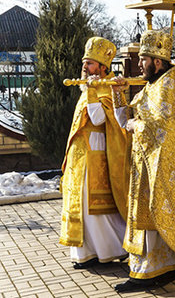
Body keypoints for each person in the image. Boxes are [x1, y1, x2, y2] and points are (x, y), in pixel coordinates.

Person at [112, 30, 175, 292]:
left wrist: (135, 124)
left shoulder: (167, 84)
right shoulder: (153, 85)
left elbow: (159, 126)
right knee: (151, 218)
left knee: (158, 215)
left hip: (162, 163)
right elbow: (127, 119)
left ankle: (148, 272)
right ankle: (159, 266)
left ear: (157, 61)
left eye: (143, 59)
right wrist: (119, 94)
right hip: (148, 162)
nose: (139, 64)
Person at [59, 37, 128, 270]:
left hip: (97, 155)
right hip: (81, 155)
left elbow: (99, 119)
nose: (85, 68)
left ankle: (113, 249)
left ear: (102, 67)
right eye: (84, 63)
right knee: (79, 203)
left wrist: (90, 92)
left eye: (89, 63)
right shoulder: (87, 86)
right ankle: (85, 252)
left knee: (95, 208)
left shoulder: (107, 87)